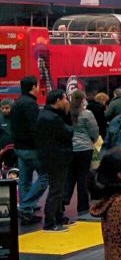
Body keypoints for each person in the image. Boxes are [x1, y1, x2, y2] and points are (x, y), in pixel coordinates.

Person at [37, 90, 74, 231]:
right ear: (58, 100)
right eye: (65, 99)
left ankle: (59, 217)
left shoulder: (44, 115)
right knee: (56, 189)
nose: (66, 102)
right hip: (57, 157)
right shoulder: (54, 118)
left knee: (58, 188)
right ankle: (50, 221)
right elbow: (69, 132)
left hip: (51, 156)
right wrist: (67, 114)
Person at [11, 76, 46, 225]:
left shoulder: (17, 102)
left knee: (25, 179)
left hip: (19, 147)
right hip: (32, 148)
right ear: (33, 87)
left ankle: (26, 211)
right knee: (45, 176)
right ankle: (26, 205)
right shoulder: (31, 104)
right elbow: (35, 128)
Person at [67, 90, 99, 217]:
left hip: (70, 148)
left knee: (70, 176)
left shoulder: (67, 113)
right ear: (83, 100)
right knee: (83, 177)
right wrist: (93, 140)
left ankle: (64, 200)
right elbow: (94, 131)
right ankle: (83, 206)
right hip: (85, 148)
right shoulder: (87, 114)